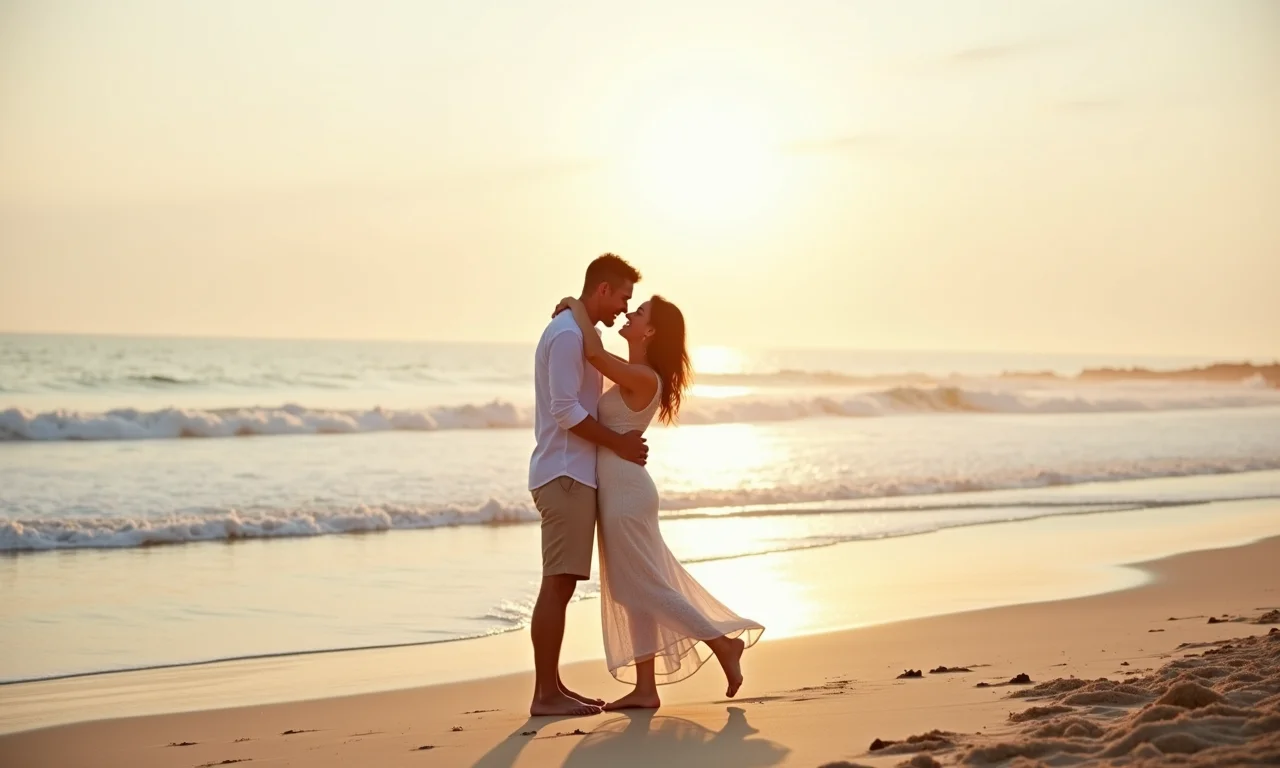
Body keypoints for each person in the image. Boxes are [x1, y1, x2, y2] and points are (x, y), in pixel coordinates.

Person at [551, 291, 764, 711]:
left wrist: (576, 305)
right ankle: (646, 688)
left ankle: (723, 645)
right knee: (633, 591)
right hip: (623, 491)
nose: (630, 313)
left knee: (645, 585)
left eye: (640, 311)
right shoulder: (635, 370)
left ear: (650, 331)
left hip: (627, 495)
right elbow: (597, 361)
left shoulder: (644, 376)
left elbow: (592, 352)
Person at [527, 253, 648, 717]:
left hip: (572, 475)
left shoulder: (580, 332)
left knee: (562, 584)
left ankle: (552, 686)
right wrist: (617, 443)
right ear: (601, 290)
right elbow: (564, 410)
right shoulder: (566, 335)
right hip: (563, 475)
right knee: (556, 584)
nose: (623, 306)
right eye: (622, 296)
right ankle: (545, 695)